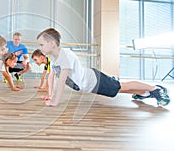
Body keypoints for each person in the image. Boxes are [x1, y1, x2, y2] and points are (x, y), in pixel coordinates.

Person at [36, 28, 170, 107]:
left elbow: (61, 80)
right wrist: (50, 94)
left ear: (52, 43)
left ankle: (155, 89)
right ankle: (144, 92)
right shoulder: (53, 58)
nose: (39, 48)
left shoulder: (64, 55)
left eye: (41, 45)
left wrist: (55, 101)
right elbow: (52, 76)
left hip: (94, 80)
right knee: (118, 89)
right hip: (90, 85)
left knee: (121, 86)